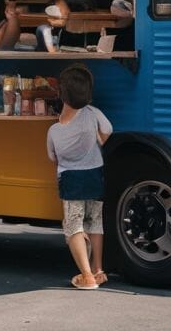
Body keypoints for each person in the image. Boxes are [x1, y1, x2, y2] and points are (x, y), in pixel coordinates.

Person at [46, 65, 112, 290]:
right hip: (95, 175)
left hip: (71, 179)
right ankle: (98, 269)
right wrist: (99, 140)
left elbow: (52, 157)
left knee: (73, 226)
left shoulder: (54, 131)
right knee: (95, 222)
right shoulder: (93, 114)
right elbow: (108, 130)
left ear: (62, 94)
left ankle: (87, 276)